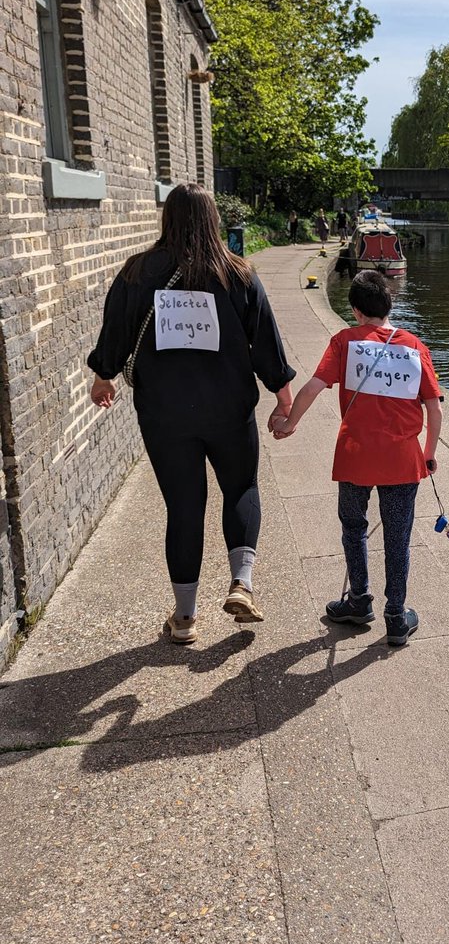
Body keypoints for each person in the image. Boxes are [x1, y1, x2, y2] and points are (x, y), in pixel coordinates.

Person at [87, 183, 296, 645]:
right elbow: (264, 341)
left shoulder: (136, 273)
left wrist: (104, 376)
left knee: (183, 506)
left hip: (164, 413)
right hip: (228, 408)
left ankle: (184, 618)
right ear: (213, 219)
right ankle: (241, 582)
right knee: (241, 487)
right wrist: (283, 394)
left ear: (168, 219)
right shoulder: (237, 274)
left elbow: (116, 330)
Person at [272, 270, 442, 646]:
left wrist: (289, 421)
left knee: (353, 527)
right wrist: (428, 455)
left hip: (354, 456)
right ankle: (396, 617)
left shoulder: (345, 342)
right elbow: (434, 408)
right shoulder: (414, 346)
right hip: (402, 459)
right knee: (398, 537)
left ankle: (359, 600)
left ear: (354, 311)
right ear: (390, 306)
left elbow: (315, 386)